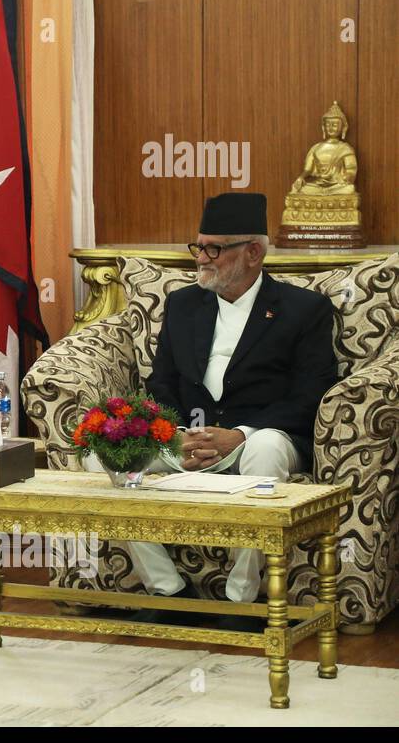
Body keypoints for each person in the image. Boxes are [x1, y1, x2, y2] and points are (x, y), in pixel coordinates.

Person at [121, 192, 337, 631]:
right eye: (198, 247)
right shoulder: (183, 305)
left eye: (214, 249)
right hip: (189, 439)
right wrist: (175, 433)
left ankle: (242, 600)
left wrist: (238, 434)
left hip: (259, 439)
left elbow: (312, 394)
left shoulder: (303, 310)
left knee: (265, 449)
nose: (201, 258)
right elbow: (160, 382)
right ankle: (167, 592)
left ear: (253, 252)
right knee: (108, 450)